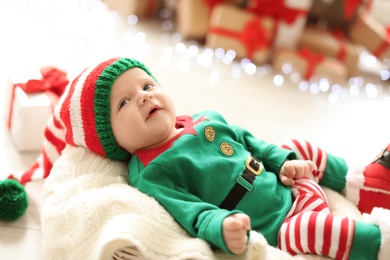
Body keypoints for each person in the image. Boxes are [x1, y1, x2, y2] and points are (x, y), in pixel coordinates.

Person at [55, 57, 390, 259]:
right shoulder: (152, 172)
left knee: (299, 145)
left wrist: (285, 161)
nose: (143, 98)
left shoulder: (205, 117)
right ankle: (379, 243)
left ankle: (361, 184)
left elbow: (253, 143)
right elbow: (192, 213)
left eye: (146, 85)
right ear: (112, 140)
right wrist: (221, 227)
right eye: (124, 102)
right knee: (317, 230)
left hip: (291, 182)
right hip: (283, 225)